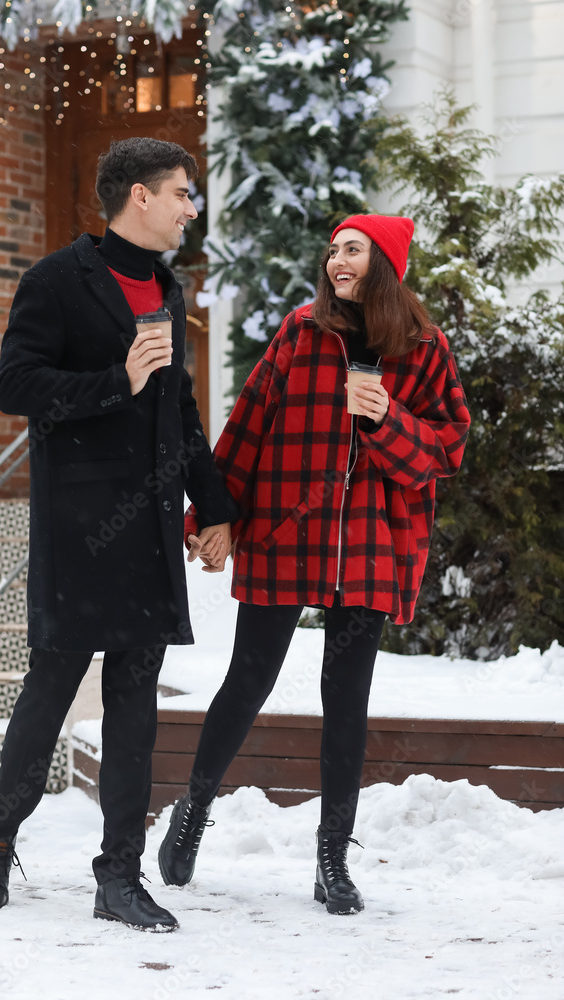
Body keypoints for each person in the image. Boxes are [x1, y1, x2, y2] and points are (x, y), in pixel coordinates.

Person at [159, 213, 471, 915]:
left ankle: (332, 858)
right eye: (332, 249)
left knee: (346, 701)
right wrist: (212, 516)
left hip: (369, 544)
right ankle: (193, 812)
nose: (336, 260)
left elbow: (447, 450)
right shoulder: (302, 333)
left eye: (352, 249)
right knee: (247, 681)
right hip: (283, 533)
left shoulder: (423, 348)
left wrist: (385, 419)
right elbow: (247, 429)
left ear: (383, 262)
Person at [0, 137, 237, 932]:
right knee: (47, 696)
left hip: (148, 532)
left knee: (135, 707)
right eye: (184, 193)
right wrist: (116, 379)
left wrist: (212, 507)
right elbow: (17, 384)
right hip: (79, 529)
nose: (193, 208)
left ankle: (118, 876)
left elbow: (177, 410)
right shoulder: (55, 280)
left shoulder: (165, 286)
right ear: (139, 197)